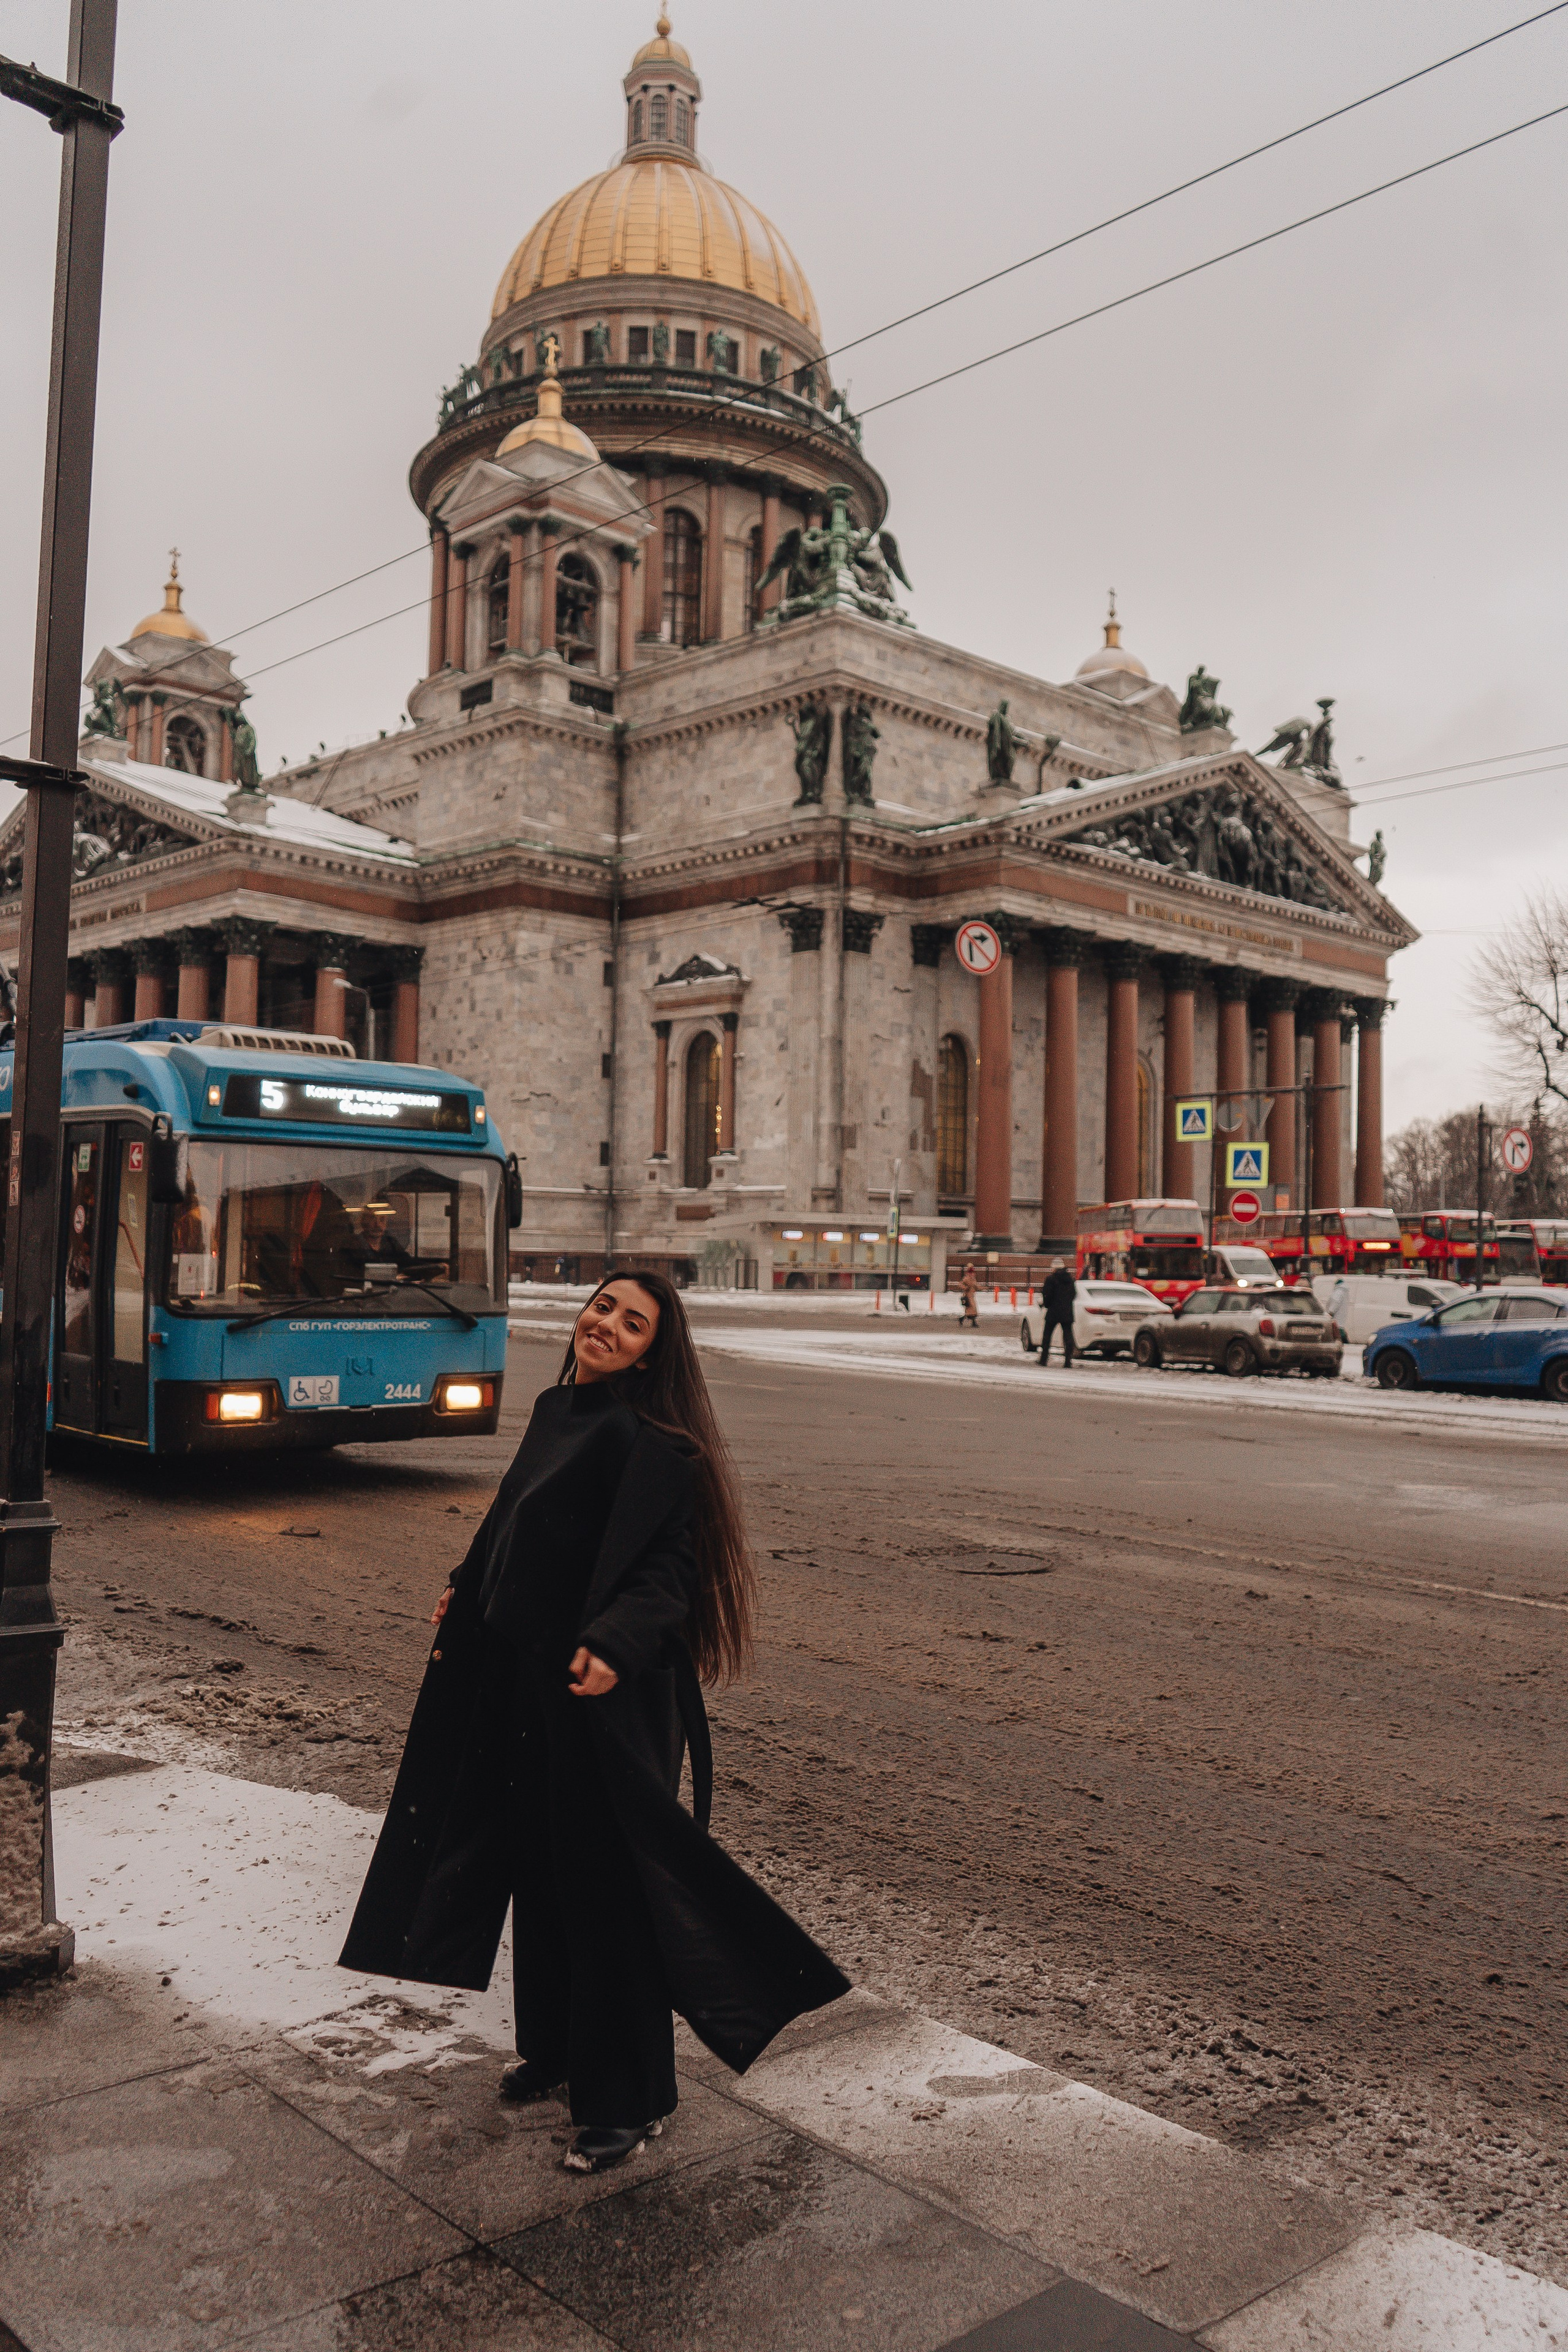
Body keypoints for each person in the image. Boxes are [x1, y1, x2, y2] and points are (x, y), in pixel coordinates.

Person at [340, 1272, 848, 2176]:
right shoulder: (557, 1410)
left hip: (598, 1702)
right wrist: (465, 1583)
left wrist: (614, 1640)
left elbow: (669, 1573)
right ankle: (559, 2051)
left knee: (606, 1897)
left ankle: (629, 2101)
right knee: (537, 1875)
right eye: (603, 1307)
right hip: (521, 1691)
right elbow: (512, 1518)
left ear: (653, 1352)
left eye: (632, 1323)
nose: (606, 1325)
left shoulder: (652, 1443)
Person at [1038, 1256, 1077, 1366]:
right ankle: (1068, 1361)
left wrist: (1047, 1304)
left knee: (1047, 1336)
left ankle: (1044, 1360)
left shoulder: (1051, 1279)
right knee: (1068, 1337)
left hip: (1053, 1311)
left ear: (1054, 1269)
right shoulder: (1070, 1280)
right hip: (1067, 1312)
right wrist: (1066, 1304)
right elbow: (1074, 1294)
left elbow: (1047, 1294)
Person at [957, 1265, 979, 1329]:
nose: (973, 1274)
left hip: (972, 1296)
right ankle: (974, 1323)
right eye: (972, 1273)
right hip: (967, 1296)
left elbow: (976, 1286)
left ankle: (962, 1319)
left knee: (971, 1311)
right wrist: (966, 1288)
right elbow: (960, 1284)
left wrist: (983, 1288)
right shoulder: (966, 1278)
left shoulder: (973, 1279)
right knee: (971, 1310)